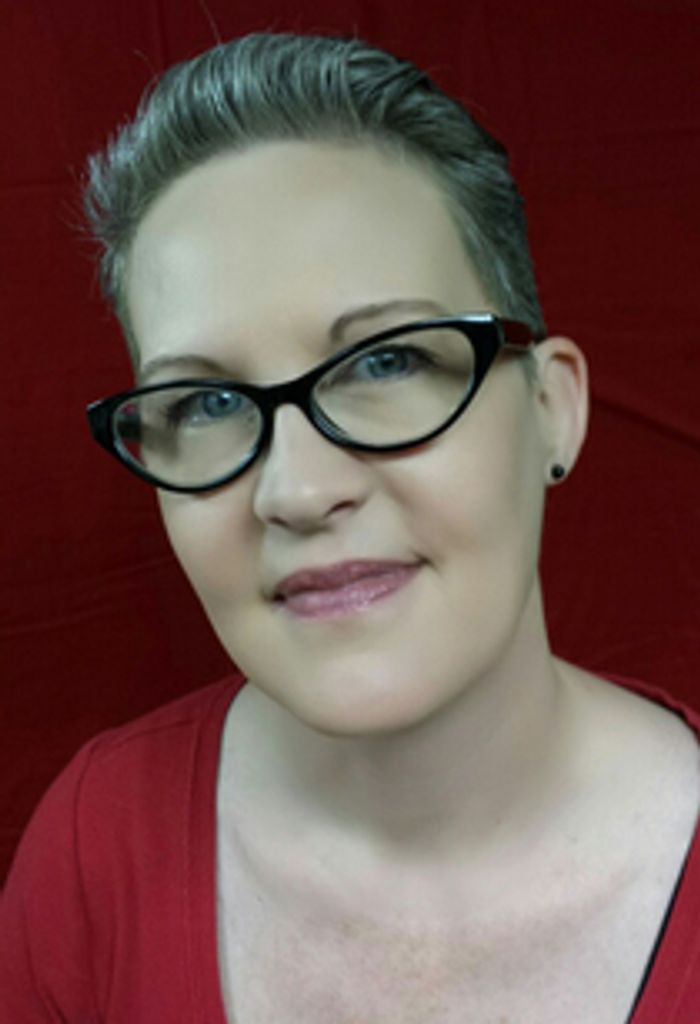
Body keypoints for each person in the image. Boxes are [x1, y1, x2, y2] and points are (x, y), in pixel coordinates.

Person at [1, 31, 699, 1024]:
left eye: (384, 361)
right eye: (205, 402)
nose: (296, 490)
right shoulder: (91, 851)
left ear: (553, 407)